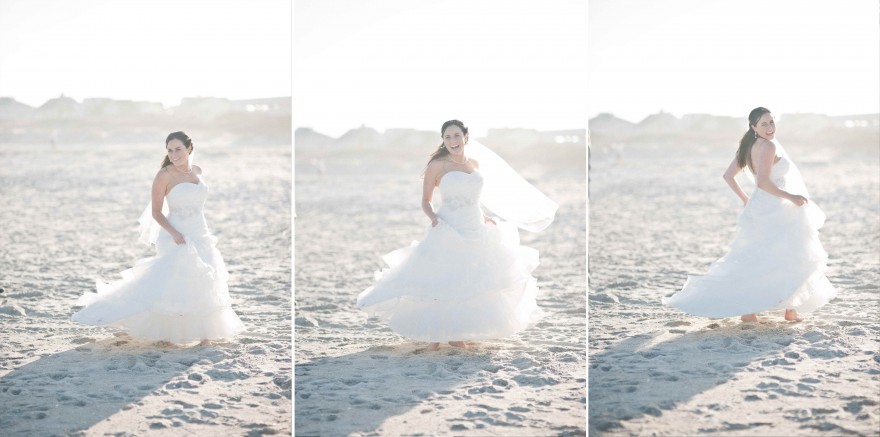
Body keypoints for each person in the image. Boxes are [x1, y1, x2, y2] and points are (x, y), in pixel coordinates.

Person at [357, 120, 557, 350]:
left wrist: (484, 217)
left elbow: (474, 197)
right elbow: (425, 200)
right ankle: (437, 335)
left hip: (475, 226)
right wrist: (433, 217)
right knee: (443, 280)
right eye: (448, 137)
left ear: (465, 137)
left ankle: (456, 333)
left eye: (456, 136)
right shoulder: (437, 165)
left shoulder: (475, 163)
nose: (452, 141)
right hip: (447, 227)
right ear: (443, 140)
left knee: (470, 281)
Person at [663, 107, 836, 322]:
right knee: (787, 254)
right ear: (753, 127)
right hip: (776, 208)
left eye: (772, 122)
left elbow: (728, 176)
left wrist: (747, 199)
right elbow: (763, 182)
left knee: (762, 256)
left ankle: (776, 310)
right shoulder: (769, 146)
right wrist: (790, 197)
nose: (770, 127)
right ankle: (774, 310)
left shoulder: (749, 146)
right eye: (764, 124)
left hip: (761, 207)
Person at [72, 131, 245, 345]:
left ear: (189, 148)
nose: (174, 154)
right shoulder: (164, 175)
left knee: (204, 280)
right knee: (174, 282)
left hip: (200, 232)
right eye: (170, 151)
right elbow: (156, 212)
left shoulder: (198, 171)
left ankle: (204, 336)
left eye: (178, 149)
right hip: (175, 233)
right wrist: (175, 234)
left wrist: (198, 232)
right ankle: (168, 336)